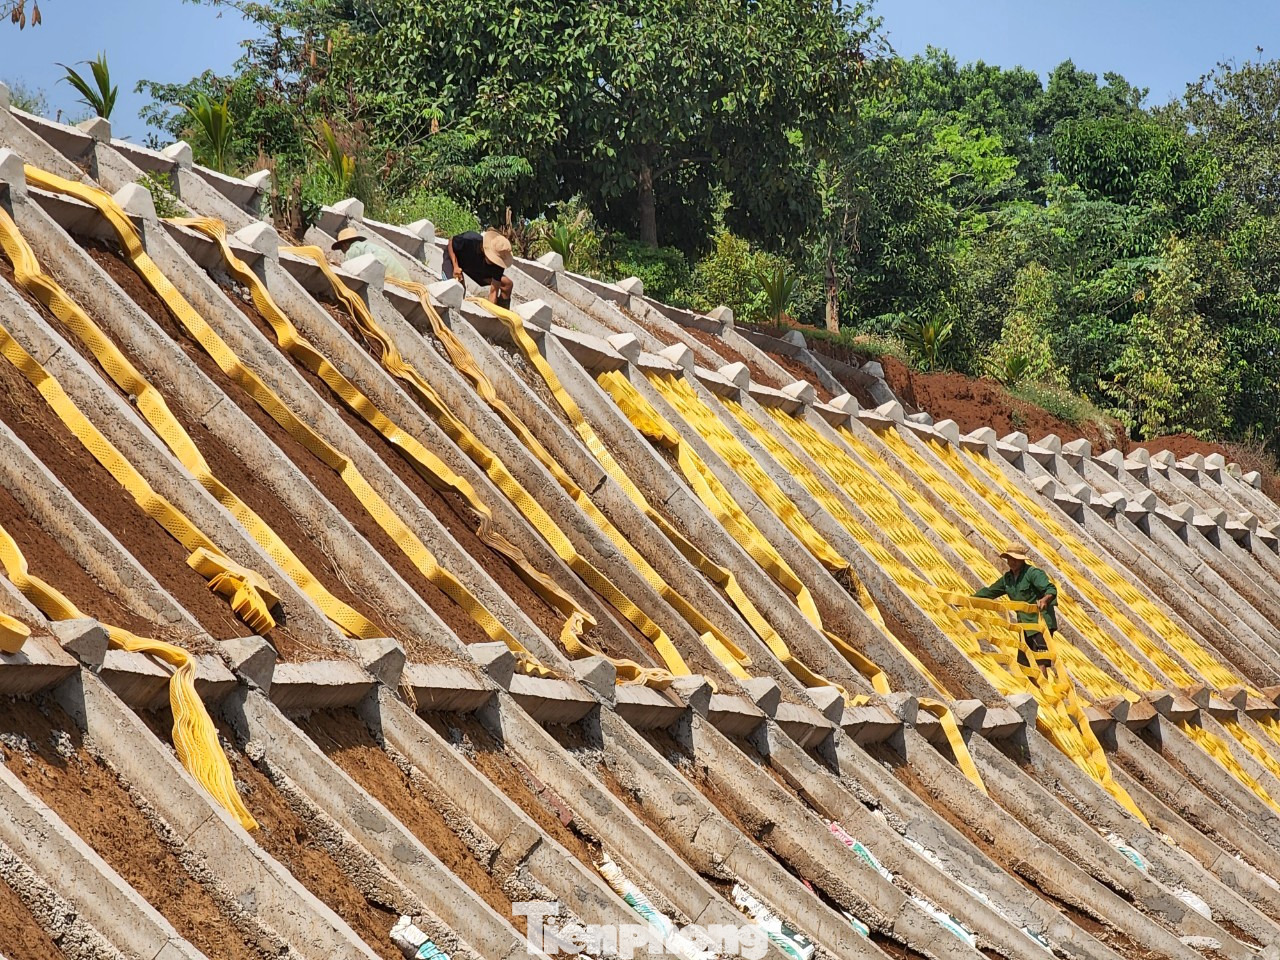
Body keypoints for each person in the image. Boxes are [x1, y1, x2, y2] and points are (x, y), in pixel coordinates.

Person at [974, 544, 1058, 669]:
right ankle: (1033, 688)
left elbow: (1050, 589)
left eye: (1015, 559)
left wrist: (1045, 599)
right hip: (1024, 626)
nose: (1012, 562)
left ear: (1021, 560)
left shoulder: (1032, 573)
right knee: (1025, 663)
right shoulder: (1007, 579)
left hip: (1040, 624)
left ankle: (1042, 687)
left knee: (1040, 661)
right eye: (1010, 559)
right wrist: (970, 600)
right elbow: (989, 592)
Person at [443, 229, 514, 308]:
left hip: (477, 269)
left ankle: (502, 312)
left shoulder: (498, 265)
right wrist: (455, 266)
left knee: (507, 283)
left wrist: (492, 311)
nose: (494, 261)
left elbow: (493, 292)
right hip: (455, 259)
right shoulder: (469, 239)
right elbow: (451, 242)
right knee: (454, 289)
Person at [331, 227, 411, 282]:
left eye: (341, 248)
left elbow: (347, 269)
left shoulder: (353, 249)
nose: (343, 251)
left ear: (345, 245)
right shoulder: (369, 246)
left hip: (389, 276)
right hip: (403, 276)